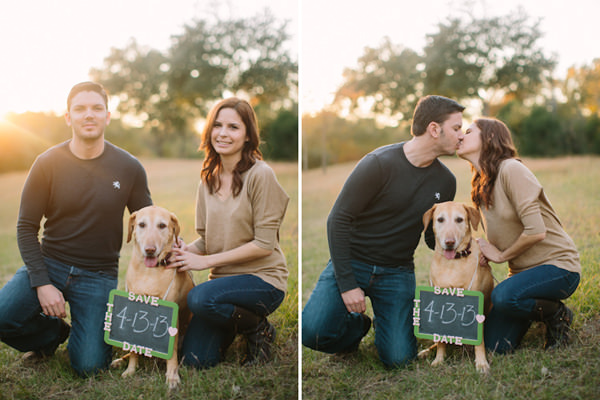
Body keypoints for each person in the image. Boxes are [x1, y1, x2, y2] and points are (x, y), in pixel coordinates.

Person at [0, 82, 153, 376]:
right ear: (68, 117)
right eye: (80, 109)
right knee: (4, 318)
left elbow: (146, 220)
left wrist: (175, 244)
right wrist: (42, 282)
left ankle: (85, 339)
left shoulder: (129, 167)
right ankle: (52, 335)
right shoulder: (47, 163)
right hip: (50, 262)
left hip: (98, 274)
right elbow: (26, 227)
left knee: (89, 366)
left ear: (107, 116)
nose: (89, 115)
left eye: (97, 108)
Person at [302, 95, 466, 368]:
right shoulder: (378, 163)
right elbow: (338, 220)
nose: (461, 135)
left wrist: (461, 246)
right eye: (457, 128)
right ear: (435, 129)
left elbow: (431, 236)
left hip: (397, 271)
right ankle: (357, 327)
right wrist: (347, 284)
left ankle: (387, 323)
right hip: (353, 262)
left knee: (399, 360)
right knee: (314, 333)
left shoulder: (445, 181)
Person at [166, 97, 289, 368]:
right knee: (195, 360)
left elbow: (264, 245)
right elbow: (208, 240)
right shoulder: (207, 177)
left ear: (247, 136)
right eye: (217, 125)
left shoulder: (261, 175)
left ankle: (258, 329)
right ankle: (232, 322)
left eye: (233, 127)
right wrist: (186, 251)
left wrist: (205, 262)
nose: (223, 133)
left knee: (198, 297)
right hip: (221, 286)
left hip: (262, 280)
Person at [457, 117, 581, 353]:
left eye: (469, 131)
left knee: (503, 296)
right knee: (495, 346)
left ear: (490, 138)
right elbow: (499, 234)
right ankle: (527, 305)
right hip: (522, 277)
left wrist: (501, 256)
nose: (461, 136)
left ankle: (557, 314)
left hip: (558, 268)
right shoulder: (480, 184)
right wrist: (481, 250)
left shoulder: (511, 169)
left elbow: (536, 231)